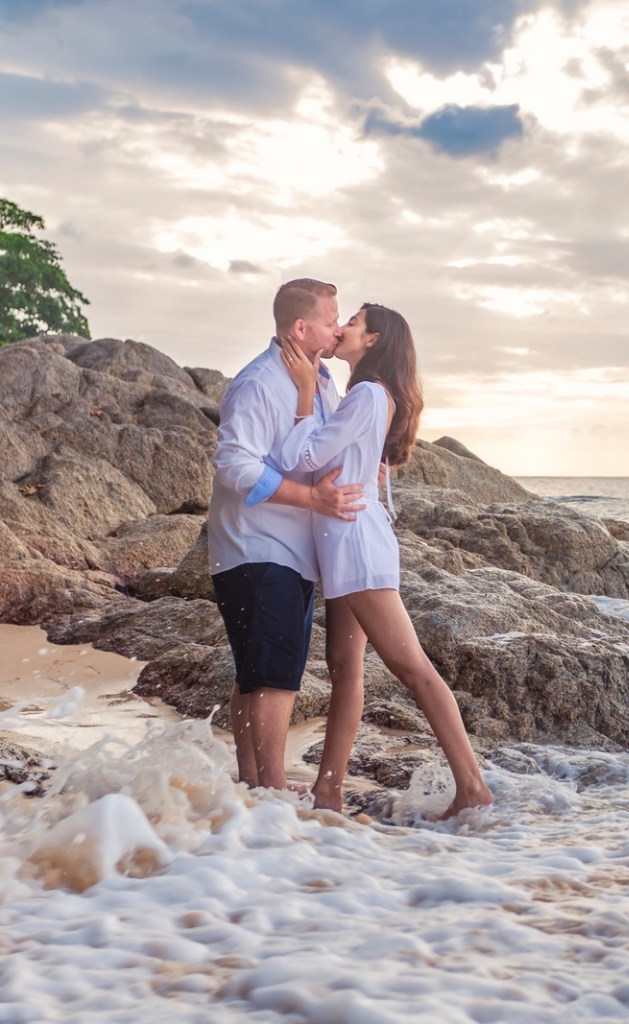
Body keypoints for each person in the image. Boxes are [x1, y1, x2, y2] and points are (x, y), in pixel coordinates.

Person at [275, 303, 494, 820]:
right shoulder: (366, 396)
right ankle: (328, 791)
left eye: (353, 320)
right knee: (345, 669)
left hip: (355, 543)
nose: (344, 326)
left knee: (413, 668)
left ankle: (473, 787)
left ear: (372, 340)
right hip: (348, 540)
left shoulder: (369, 395)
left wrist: (304, 394)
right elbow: (338, 461)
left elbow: (301, 460)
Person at [208, 278, 365, 791]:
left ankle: (252, 787)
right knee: (275, 676)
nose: (338, 328)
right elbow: (234, 464)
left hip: (291, 552)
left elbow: (314, 450)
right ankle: (271, 792)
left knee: (255, 672)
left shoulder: (320, 382)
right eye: (329, 320)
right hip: (255, 548)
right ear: (301, 327)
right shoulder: (259, 382)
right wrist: (310, 500)